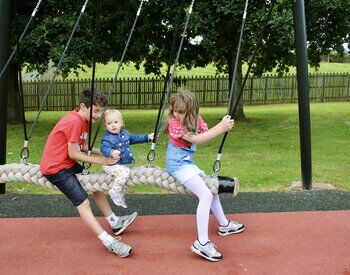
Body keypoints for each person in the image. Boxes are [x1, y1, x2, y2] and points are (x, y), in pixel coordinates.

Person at [40, 87, 137, 258]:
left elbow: (83, 146)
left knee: (96, 185)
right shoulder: (74, 121)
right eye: (96, 111)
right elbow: (74, 153)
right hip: (56, 168)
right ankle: (109, 242)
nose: (99, 115)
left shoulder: (83, 120)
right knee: (84, 203)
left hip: (67, 163)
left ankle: (114, 222)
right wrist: (103, 161)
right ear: (83, 106)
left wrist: (105, 153)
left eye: (101, 111)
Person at [165, 90, 245, 262]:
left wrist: (224, 125)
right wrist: (220, 128)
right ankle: (202, 242)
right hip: (177, 164)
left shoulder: (196, 118)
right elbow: (197, 140)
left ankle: (224, 225)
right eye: (174, 110)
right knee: (206, 194)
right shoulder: (173, 123)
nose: (176, 114)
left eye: (180, 111)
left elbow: (204, 132)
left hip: (187, 163)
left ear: (192, 110)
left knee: (212, 190)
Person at [100, 109, 154, 208]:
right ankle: (114, 192)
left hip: (119, 164)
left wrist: (147, 137)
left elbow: (135, 138)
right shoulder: (107, 138)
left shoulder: (125, 133)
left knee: (125, 175)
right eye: (109, 123)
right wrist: (111, 152)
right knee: (124, 172)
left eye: (116, 122)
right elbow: (104, 149)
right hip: (110, 164)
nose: (113, 125)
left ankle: (119, 196)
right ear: (105, 125)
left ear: (121, 123)